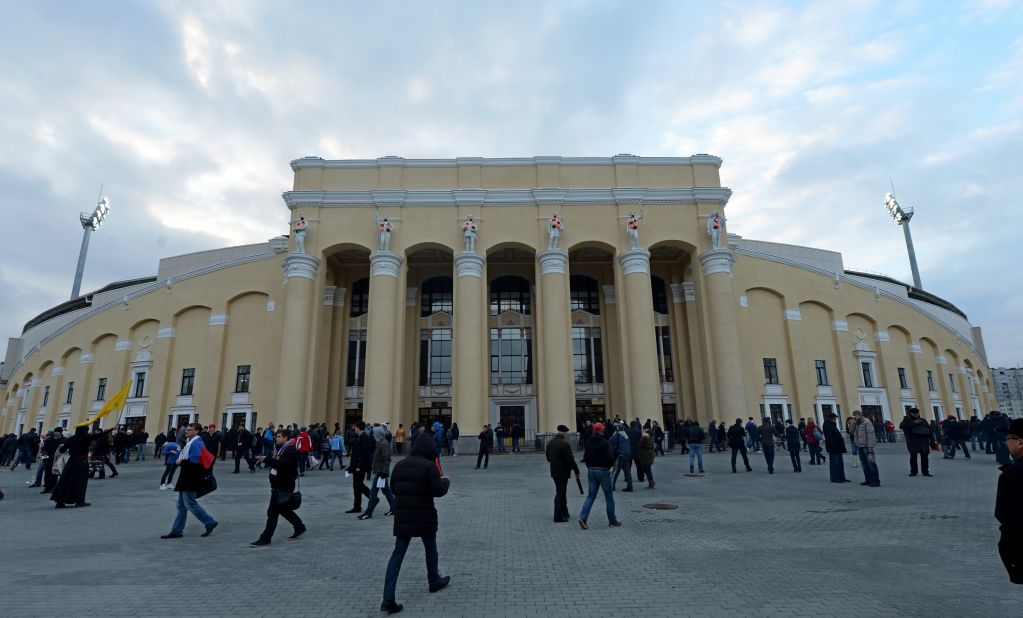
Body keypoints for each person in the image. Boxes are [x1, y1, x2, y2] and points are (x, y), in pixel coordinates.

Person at [380, 434, 451, 614]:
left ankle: (388, 598)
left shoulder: (400, 465)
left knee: (397, 555)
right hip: (424, 515)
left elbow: (394, 488)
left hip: (403, 516)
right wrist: (446, 481)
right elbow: (438, 491)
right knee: (430, 548)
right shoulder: (429, 467)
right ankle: (434, 580)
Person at [161, 423, 218, 538]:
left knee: (190, 503)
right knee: (181, 505)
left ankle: (209, 522)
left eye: (189, 430)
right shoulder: (192, 442)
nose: (186, 432)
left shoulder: (196, 443)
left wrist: (181, 462)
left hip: (190, 478)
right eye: (187, 430)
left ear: (197, 431)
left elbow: (195, 463)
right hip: (187, 477)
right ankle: (177, 530)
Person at [251, 428, 306, 546]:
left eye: (279, 436)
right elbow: (278, 463)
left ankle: (266, 538)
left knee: (273, 512)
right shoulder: (283, 448)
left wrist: (266, 460)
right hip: (278, 485)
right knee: (283, 509)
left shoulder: (290, 449)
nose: (276, 438)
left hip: (283, 486)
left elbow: (282, 464)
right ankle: (299, 527)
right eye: (276, 436)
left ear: (286, 438)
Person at [50, 426, 112, 508]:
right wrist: (111, 429)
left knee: (65, 481)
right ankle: (79, 501)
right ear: (84, 431)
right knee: (80, 483)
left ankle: (60, 502)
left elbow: (62, 450)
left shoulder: (71, 439)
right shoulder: (85, 438)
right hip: (81, 463)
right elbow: (98, 435)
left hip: (71, 463)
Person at [995, 418, 1023, 585]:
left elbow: (1004, 514)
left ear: (1019, 442)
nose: (1007, 444)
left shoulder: (1013, 474)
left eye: (1008, 440)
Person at [578, 422, 622, 529]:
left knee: (591, 496)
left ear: (594, 430)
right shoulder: (605, 442)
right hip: (603, 471)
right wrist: (608, 467)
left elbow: (586, 458)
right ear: (602, 430)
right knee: (609, 497)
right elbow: (610, 458)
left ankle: (583, 517)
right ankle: (612, 520)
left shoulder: (588, 442)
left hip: (591, 471)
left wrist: (590, 467)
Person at [360, 426, 396, 519]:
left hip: (381, 472)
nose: (372, 434)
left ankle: (369, 512)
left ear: (378, 434)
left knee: (373, 493)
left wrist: (384, 472)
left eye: (374, 433)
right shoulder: (380, 443)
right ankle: (394, 508)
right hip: (380, 471)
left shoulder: (383, 444)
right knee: (387, 491)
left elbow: (386, 459)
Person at [546, 424, 580, 522]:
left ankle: (565, 512)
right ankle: (557, 516)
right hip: (563, 472)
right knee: (560, 493)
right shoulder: (564, 444)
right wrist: (576, 470)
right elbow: (570, 460)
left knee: (561, 492)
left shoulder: (550, 442)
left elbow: (548, 458)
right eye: (566, 433)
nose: (567, 435)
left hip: (554, 472)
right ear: (564, 433)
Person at [346, 421, 373, 513]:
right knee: (357, 486)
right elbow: (355, 454)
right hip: (356, 466)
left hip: (360, 467)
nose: (354, 429)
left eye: (355, 427)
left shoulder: (365, 437)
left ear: (358, 427)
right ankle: (358, 506)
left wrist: (358, 466)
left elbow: (364, 454)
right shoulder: (359, 437)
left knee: (358, 486)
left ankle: (370, 499)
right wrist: (350, 467)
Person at [900, 407, 933, 477]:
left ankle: (925, 472)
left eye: (917, 413)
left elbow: (929, 430)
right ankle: (913, 472)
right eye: (914, 413)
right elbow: (902, 426)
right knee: (913, 457)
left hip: (924, 442)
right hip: (913, 442)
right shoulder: (907, 420)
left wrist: (932, 440)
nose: (916, 414)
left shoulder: (923, 420)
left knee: (925, 457)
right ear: (911, 413)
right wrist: (914, 423)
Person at [851, 410, 880, 487]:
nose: (855, 417)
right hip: (859, 446)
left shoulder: (866, 422)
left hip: (867, 446)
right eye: (854, 416)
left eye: (856, 415)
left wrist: (870, 446)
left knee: (871, 463)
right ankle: (868, 480)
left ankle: (876, 481)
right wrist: (853, 423)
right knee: (864, 464)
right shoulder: (856, 423)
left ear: (860, 415)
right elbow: (851, 431)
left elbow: (871, 435)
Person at [822, 412, 850, 483]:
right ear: (831, 418)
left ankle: (841, 477)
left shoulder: (832, 425)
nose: (836, 419)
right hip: (833, 448)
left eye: (836, 418)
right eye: (834, 418)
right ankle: (835, 478)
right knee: (834, 463)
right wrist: (835, 444)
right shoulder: (827, 425)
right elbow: (829, 438)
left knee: (840, 463)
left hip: (838, 447)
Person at [610, 423, 634, 491]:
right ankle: (630, 486)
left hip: (620, 455)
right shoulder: (626, 435)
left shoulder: (618, 435)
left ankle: (611, 486)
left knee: (615, 471)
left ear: (617, 429)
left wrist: (614, 434)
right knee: (627, 472)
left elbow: (610, 441)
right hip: (627, 454)